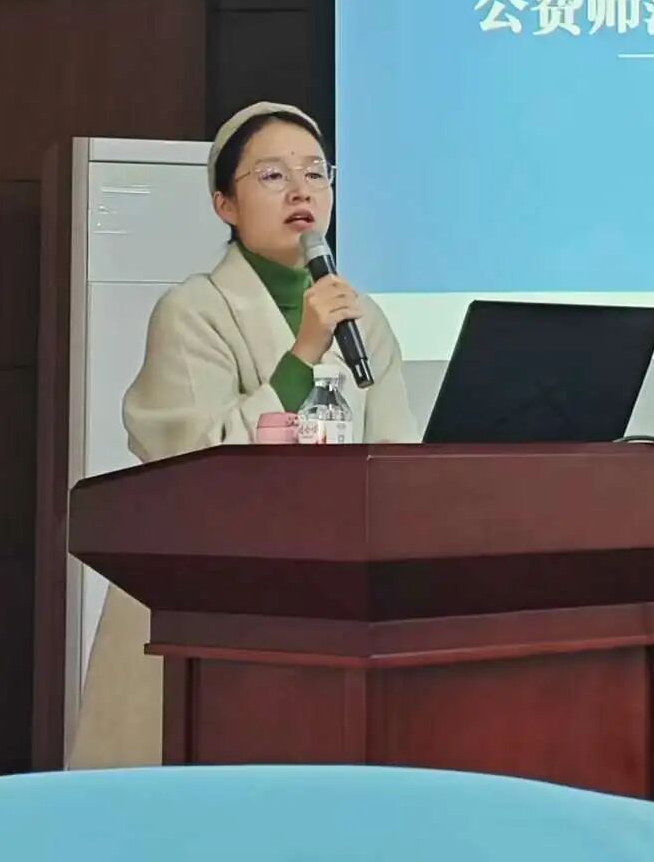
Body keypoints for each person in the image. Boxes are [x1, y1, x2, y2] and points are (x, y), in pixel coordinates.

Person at [68, 101, 415, 768]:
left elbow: (395, 460)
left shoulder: (362, 317)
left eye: (316, 173)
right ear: (224, 204)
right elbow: (197, 464)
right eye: (273, 175)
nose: (301, 191)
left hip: (328, 603)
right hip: (199, 611)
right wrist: (303, 351)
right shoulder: (192, 311)